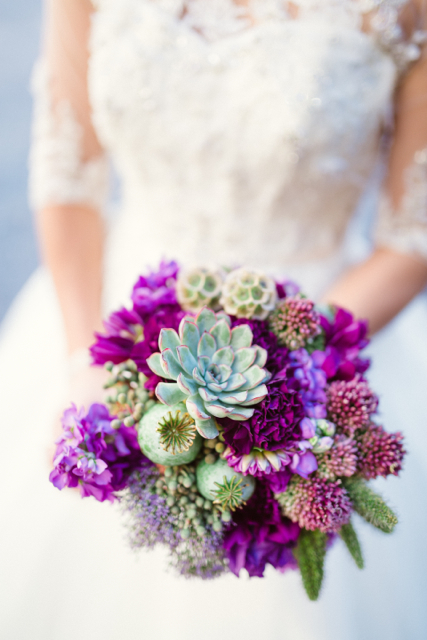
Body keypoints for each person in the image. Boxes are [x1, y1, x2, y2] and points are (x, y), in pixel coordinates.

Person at [1, 0, 427, 638]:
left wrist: (283, 380)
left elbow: (412, 234)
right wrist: (87, 364)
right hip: (119, 327)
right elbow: (69, 177)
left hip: (319, 338)